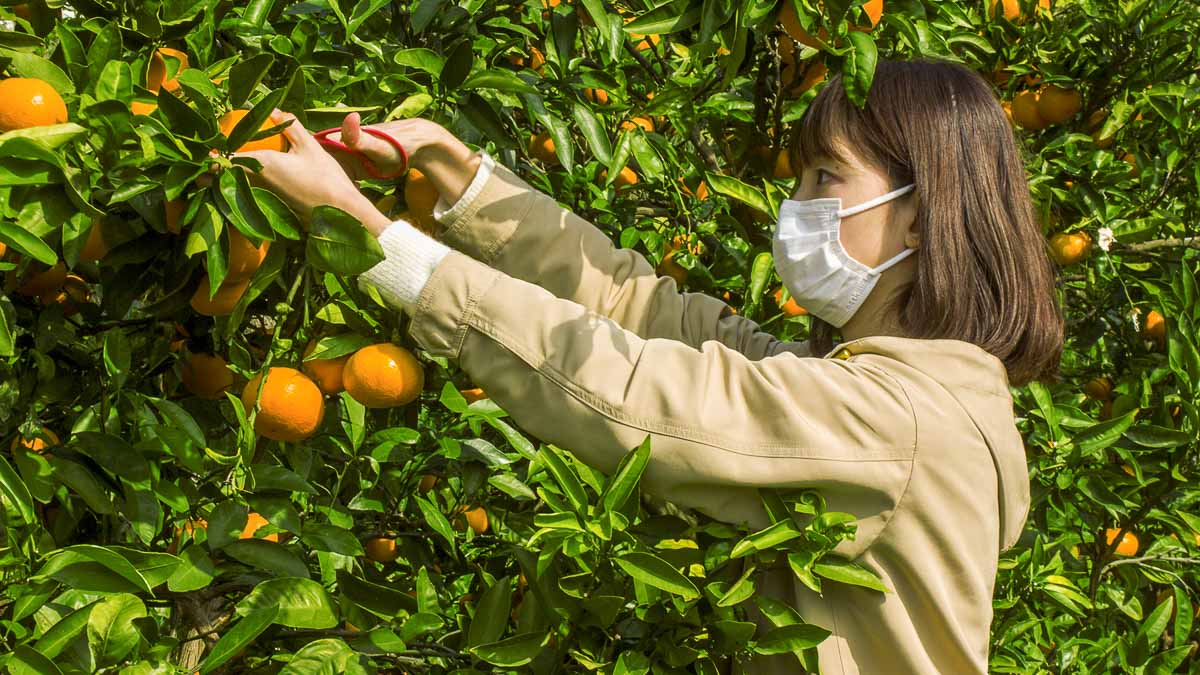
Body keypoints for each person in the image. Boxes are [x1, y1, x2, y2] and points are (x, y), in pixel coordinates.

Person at [236, 58, 1064, 674]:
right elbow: (646, 314)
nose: (798, 203)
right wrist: (463, 185)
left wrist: (370, 237)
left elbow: (638, 396)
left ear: (919, 220)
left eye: (825, 176)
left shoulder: (893, 418)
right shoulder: (886, 387)